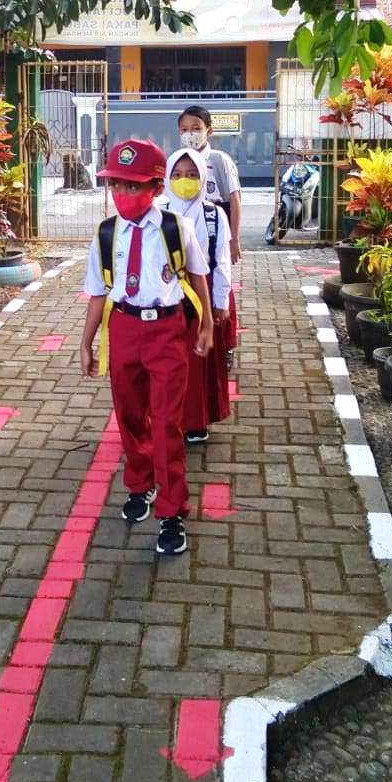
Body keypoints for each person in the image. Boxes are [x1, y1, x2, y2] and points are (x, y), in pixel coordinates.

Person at [80, 139, 214, 557]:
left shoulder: (176, 228)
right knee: (130, 415)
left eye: (133, 187)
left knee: (167, 424)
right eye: (116, 186)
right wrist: (87, 342)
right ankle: (141, 485)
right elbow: (99, 292)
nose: (123, 196)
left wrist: (207, 324)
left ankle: (172, 511)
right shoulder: (106, 233)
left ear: (157, 187)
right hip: (122, 329)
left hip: (166, 331)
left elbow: (197, 277)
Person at [163, 148, 232, 444]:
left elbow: (222, 259)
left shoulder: (214, 215)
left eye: (192, 175)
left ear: (203, 178)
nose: (185, 181)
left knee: (196, 362)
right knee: (165, 363)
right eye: (177, 175)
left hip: (199, 300)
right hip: (164, 298)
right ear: (167, 178)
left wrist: (220, 302)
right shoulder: (158, 210)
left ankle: (195, 421)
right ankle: (165, 419)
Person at [178, 105, 242, 365]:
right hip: (186, 232)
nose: (190, 134)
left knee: (220, 287)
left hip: (215, 229)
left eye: (196, 128)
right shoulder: (178, 159)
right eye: (184, 130)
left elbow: (234, 199)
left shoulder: (219, 160)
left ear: (209, 131)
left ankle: (225, 346)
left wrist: (234, 239)